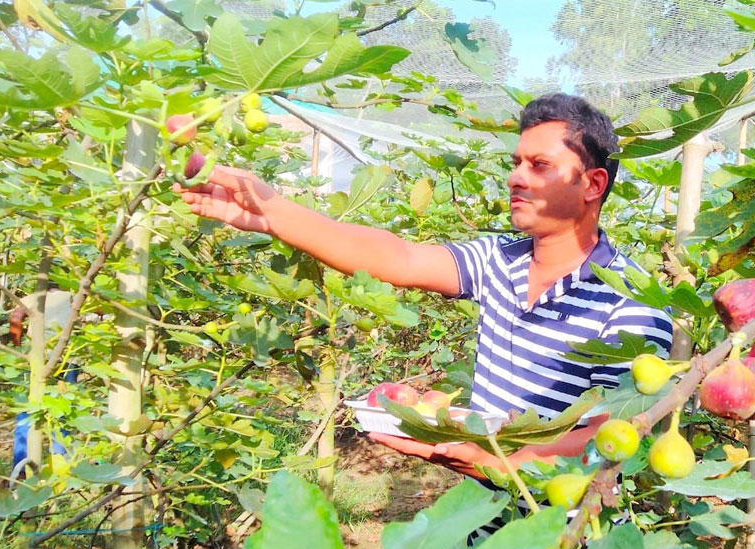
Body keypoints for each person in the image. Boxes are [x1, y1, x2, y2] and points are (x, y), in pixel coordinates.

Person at [174, 93, 673, 479]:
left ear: (592, 185)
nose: (516, 178)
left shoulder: (631, 300)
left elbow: (613, 439)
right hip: (484, 528)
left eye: (539, 166)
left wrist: (482, 458)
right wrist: (270, 212)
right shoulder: (497, 260)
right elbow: (399, 256)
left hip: (573, 544)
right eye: (516, 163)